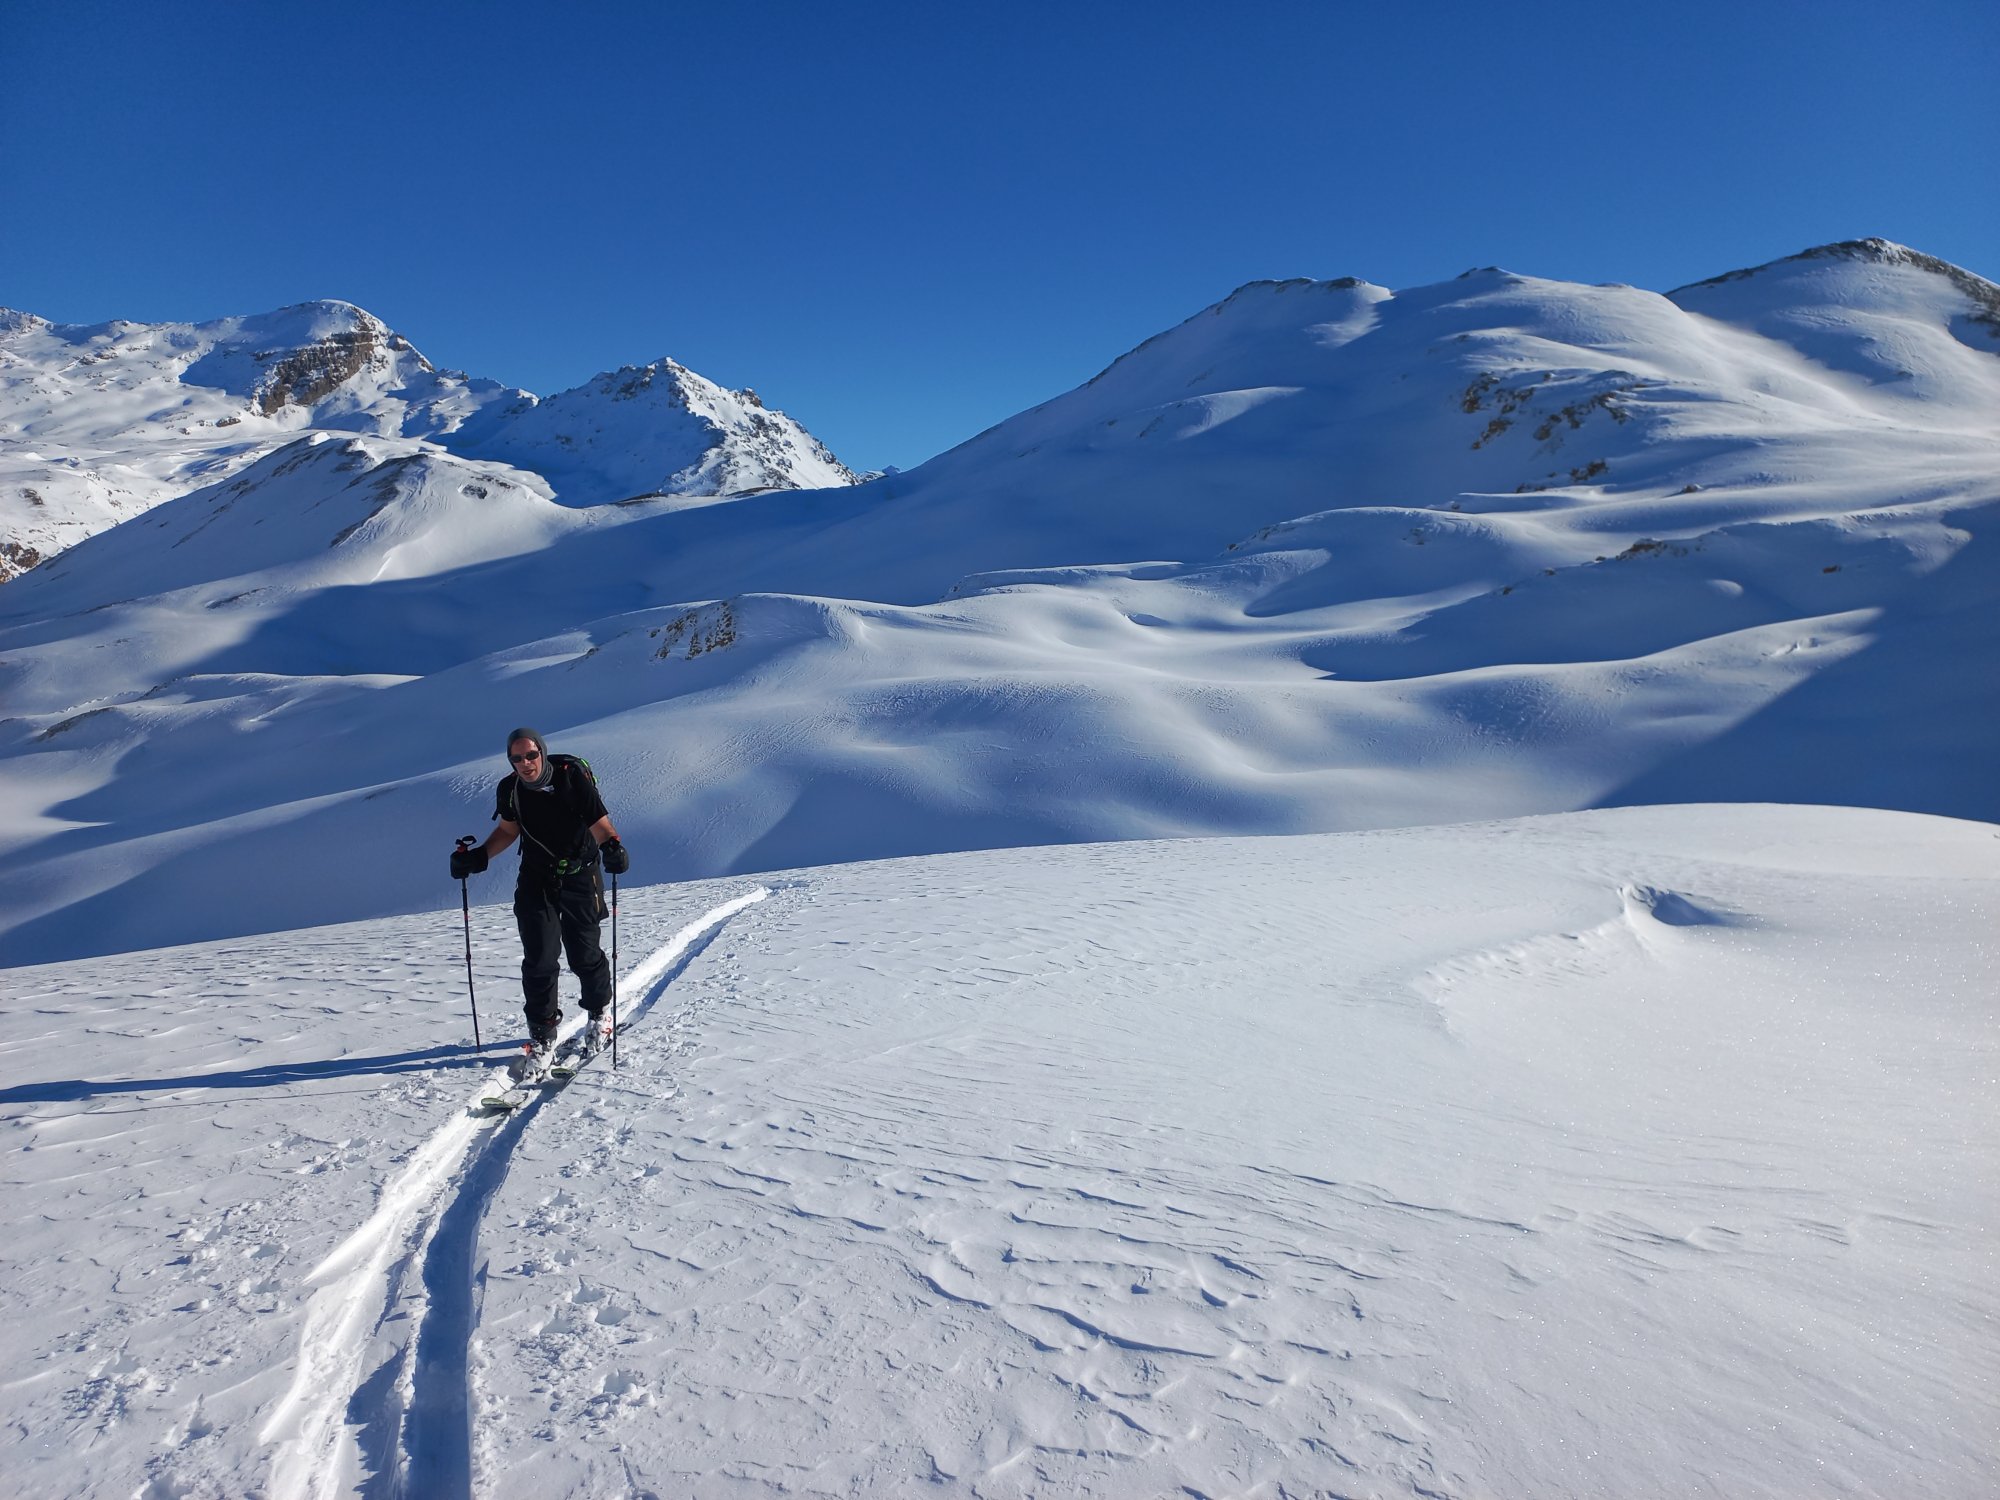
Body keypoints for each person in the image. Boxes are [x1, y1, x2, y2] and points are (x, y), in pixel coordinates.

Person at [450, 727, 631, 1076]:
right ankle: (543, 1036)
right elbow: (508, 830)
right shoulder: (511, 789)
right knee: (539, 959)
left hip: (580, 875)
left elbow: (598, 821)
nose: (525, 763)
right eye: (516, 758)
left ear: (542, 753)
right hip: (536, 878)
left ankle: (598, 1015)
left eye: (531, 755)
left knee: (585, 954)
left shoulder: (570, 777)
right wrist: (477, 858)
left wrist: (611, 846)